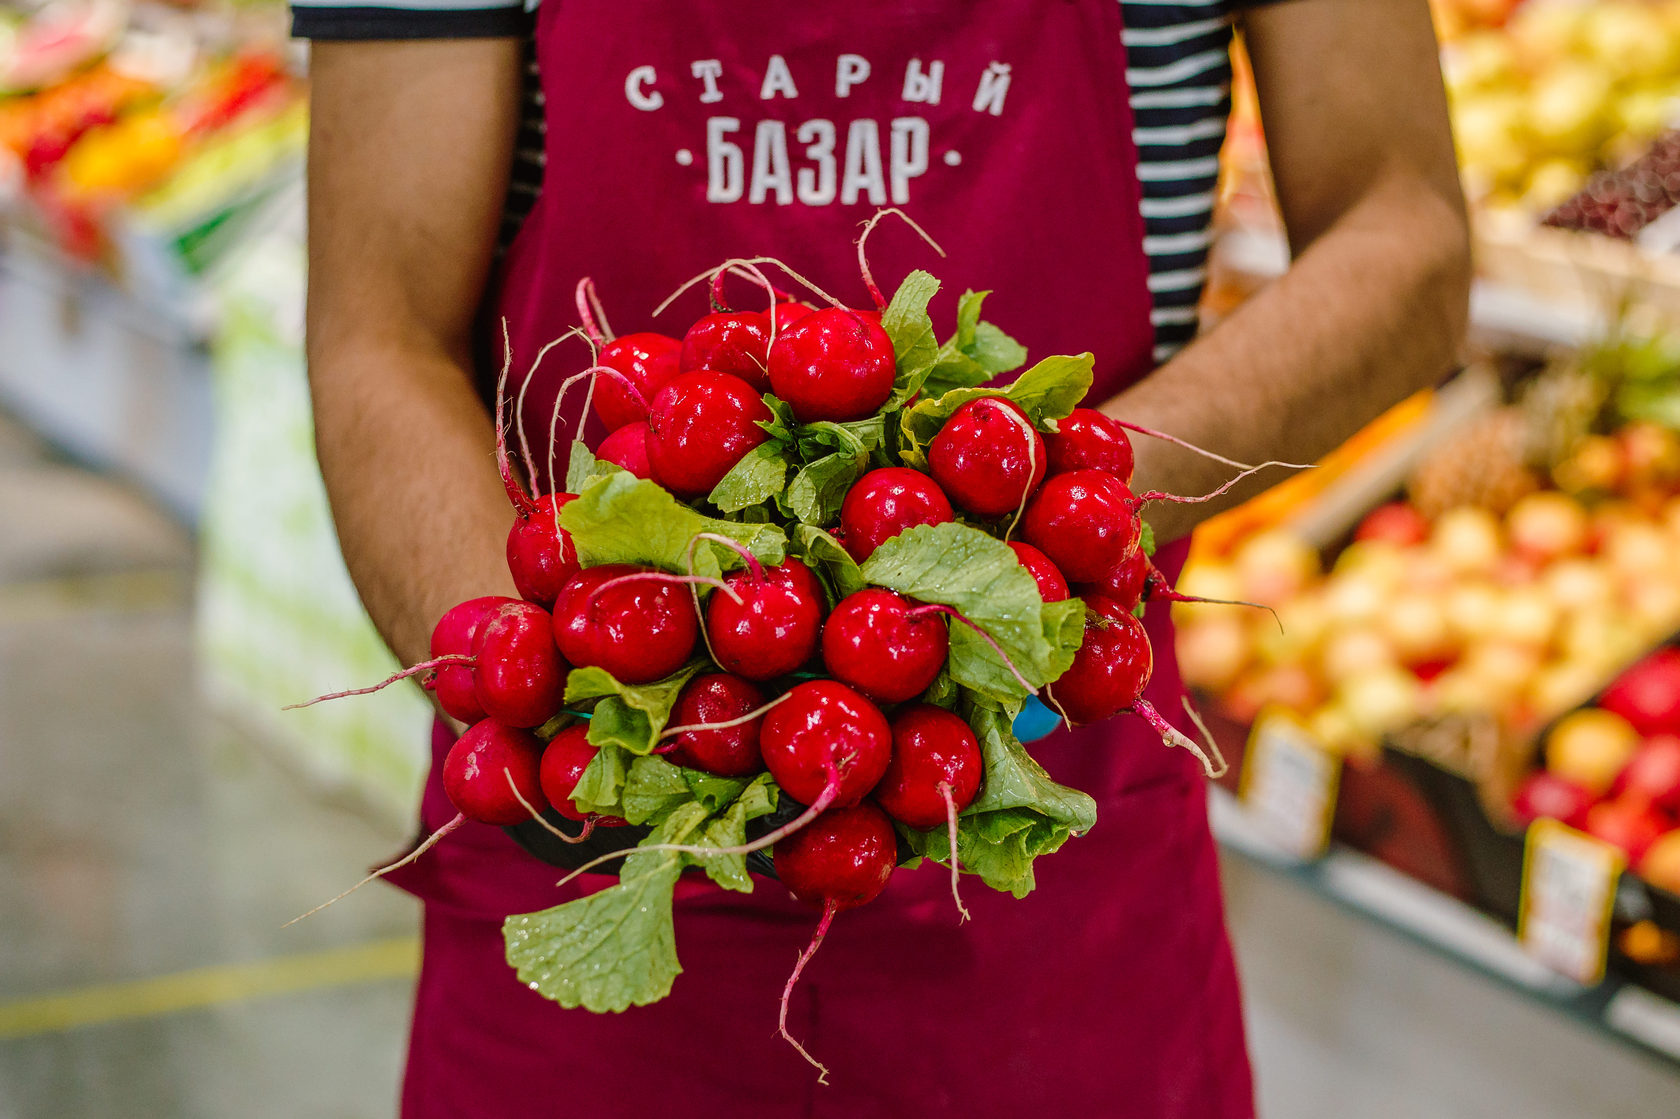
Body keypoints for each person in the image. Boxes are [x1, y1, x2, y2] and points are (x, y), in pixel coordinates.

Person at [294, 0, 1469, 1115]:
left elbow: (1403, 234)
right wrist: (544, 684)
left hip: (1052, 856)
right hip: (589, 855)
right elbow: (382, 334)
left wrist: (1059, 520)